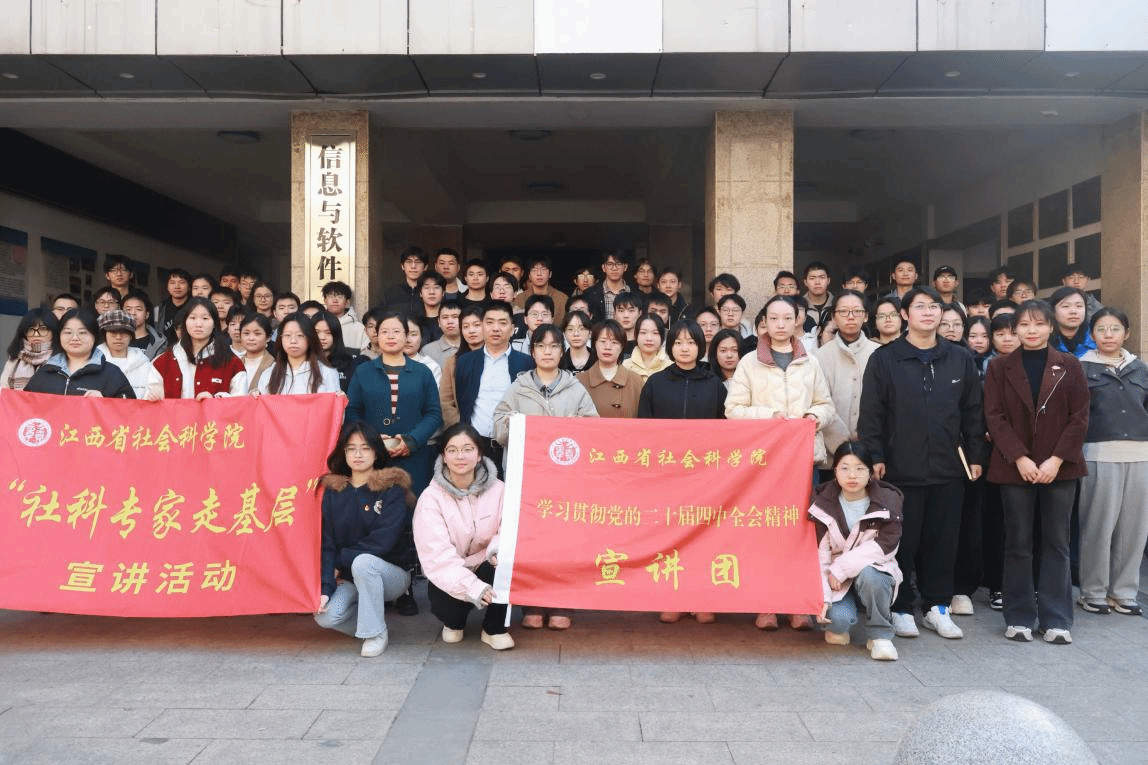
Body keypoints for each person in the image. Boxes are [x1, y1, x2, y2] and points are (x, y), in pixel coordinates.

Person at [858, 286, 986, 641]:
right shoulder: (885, 359)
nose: (928, 312)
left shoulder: (960, 358)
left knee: (943, 541)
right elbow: (871, 414)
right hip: (900, 468)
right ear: (904, 314)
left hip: (949, 467)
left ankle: (937, 606)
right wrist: (875, 455)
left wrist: (976, 455)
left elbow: (973, 412)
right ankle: (901, 607)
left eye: (934, 306)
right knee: (904, 541)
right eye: (919, 307)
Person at [726, 295, 836, 631]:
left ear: (798, 320)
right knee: (765, 532)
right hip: (764, 463)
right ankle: (766, 603)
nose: (780, 324)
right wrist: (769, 417)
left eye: (787, 318)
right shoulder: (749, 363)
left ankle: (796, 604)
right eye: (774, 318)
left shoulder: (810, 362)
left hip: (804, 461)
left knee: (801, 532)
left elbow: (826, 405)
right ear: (764, 322)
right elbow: (733, 409)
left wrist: (813, 416)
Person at [984, 300, 1088, 644]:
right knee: (1018, 542)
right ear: (1015, 329)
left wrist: (1056, 459)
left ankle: (1057, 618)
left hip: (1060, 468)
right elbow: (994, 416)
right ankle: (1019, 616)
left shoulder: (1069, 365)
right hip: (1015, 468)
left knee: (1057, 542)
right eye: (1025, 324)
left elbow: (1080, 417)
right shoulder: (1000, 367)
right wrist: (1020, 457)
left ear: (1050, 327)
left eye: (1039, 324)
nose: (1032, 330)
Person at [493, 324, 598, 630]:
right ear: (533, 351)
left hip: (566, 483)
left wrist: (578, 426)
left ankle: (562, 603)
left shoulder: (575, 388)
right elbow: (497, 428)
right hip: (528, 483)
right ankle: (533, 604)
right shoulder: (518, 387)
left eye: (554, 346)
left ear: (562, 352)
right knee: (531, 543)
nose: (547, 352)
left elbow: (595, 429)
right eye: (541, 346)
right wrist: (512, 424)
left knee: (564, 543)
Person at [638, 318, 726, 626]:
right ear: (670, 346)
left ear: (700, 346)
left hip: (706, 477)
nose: (684, 348)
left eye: (690, 342)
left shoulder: (714, 384)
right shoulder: (656, 383)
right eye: (678, 342)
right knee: (670, 537)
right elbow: (643, 432)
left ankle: (701, 598)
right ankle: (672, 598)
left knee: (704, 537)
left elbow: (728, 431)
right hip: (666, 477)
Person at [315, 421, 416, 658]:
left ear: (376, 452)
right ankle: (372, 622)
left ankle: (375, 634)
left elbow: (382, 542)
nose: (358, 454)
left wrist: (341, 561)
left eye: (365, 448)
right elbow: (327, 543)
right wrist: (326, 588)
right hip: (350, 577)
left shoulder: (391, 489)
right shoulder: (333, 492)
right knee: (326, 616)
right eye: (351, 449)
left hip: (391, 575)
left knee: (363, 562)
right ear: (343, 453)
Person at [413, 423, 514, 650]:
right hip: (450, 569)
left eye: (468, 449)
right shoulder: (431, 498)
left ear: (479, 455)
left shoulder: (499, 490)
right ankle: (453, 623)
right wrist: (474, 588)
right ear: (443, 457)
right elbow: (438, 558)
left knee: (506, 564)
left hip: (486, 562)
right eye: (453, 450)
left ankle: (494, 628)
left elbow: (508, 530)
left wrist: (496, 550)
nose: (460, 456)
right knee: (448, 609)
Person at [1077, 308, 1148, 616]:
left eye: (1115, 329)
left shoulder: (1140, 369)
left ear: (1127, 334)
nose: (1108, 335)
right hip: (1098, 455)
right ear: (1092, 334)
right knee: (1098, 526)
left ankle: (1124, 592)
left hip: (1140, 456)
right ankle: (1093, 592)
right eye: (1101, 329)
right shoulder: (1080, 368)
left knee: (1134, 530)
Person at [811, 441, 903, 661]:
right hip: (832, 577)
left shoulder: (887, 501)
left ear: (871, 472)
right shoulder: (822, 502)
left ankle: (881, 636)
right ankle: (838, 625)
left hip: (872, 567)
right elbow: (820, 555)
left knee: (873, 577)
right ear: (835, 471)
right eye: (845, 468)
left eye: (860, 468)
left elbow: (885, 546)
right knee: (838, 621)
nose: (852, 475)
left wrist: (842, 568)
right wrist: (823, 599)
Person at [345, 311, 443, 497]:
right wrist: (372, 439)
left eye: (396, 331)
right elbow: (352, 411)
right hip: (372, 456)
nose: (390, 336)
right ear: (377, 336)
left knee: (411, 505)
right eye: (384, 332)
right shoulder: (363, 371)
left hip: (414, 456)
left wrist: (412, 440)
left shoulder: (423, 372)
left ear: (406, 336)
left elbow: (433, 413)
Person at [815, 290, 879, 461]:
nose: (850, 317)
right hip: (832, 455)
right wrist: (843, 446)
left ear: (866, 316)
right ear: (834, 317)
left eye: (857, 311)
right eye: (843, 311)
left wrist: (870, 445)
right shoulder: (820, 357)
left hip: (872, 454)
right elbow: (819, 404)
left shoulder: (879, 354)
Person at [25, 308, 135, 398]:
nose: (75, 338)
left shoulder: (112, 373)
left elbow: (129, 410)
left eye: (82, 333)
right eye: (68, 332)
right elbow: (24, 405)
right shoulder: (46, 371)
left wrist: (104, 402)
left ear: (95, 336)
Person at [153, 297, 247, 399]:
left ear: (215, 323)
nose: (198, 324)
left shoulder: (232, 362)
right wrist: (153, 398)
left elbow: (241, 401)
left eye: (205, 318)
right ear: (185, 322)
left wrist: (216, 399)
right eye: (192, 318)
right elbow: (151, 397)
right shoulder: (163, 361)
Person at [256, 313, 341, 395]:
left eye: (300, 335)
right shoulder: (269, 374)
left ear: (310, 338)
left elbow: (333, 403)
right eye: (287, 335)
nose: (293, 341)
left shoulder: (326, 372)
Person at [577, 320, 643, 419]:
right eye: (603, 341)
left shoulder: (636, 381)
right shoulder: (579, 381)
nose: (607, 347)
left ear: (622, 347)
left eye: (614, 342)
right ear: (594, 344)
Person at [95, 310, 163, 400]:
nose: (118, 337)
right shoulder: (93, 363)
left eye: (124, 333)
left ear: (131, 335)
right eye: (113, 333)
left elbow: (152, 390)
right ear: (105, 335)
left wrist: (152, 396)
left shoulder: (143, 363)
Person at [2, 308, 58, 390]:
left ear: (54, 332)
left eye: (43, 329)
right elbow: (2, 391)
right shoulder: (14, 361)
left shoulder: (61, 360)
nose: (36, 334)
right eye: (30, 329)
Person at [313, 310, 366, 394]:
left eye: (328, 333)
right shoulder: (304, 362)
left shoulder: (351, 363)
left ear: (336, 334)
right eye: (317, 332)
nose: (322, 337)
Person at [513, 255, 567, 322]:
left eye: (543, 269)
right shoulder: (520, 298)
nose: (539, 273)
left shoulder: (562, 299)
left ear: (550, 274)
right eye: (534, 270)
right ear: (529, 275)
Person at [582, 249, 630, 320]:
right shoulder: (590, 294)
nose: (614, 268)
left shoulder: (634, 292)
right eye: (610, 264)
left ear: (625, 267)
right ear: (603, 268)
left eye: (618, 264)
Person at [322, 281, 369, 353]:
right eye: (330, 296)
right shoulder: (317, 325)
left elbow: (366, 354)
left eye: (340, 297)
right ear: (325, 300)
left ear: (347, 302)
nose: (335, 300)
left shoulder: (359, 329)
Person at [623, 314, 672, 382]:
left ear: (662, 337)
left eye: (655, 333)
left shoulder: (670, 368)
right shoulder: (625, 366)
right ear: (636, 335)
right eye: (643, 332)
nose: (649, 338)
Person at [380, 245, 429, 314]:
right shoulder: (391, 293)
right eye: (409, 262)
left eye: (418, 262)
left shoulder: (431, 293)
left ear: (425, 267)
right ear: (402, 266)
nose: (413, 266)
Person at [1050, 286, 1095, 358]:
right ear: (1053, 310)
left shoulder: (1097, 338)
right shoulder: (1043, 341)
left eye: (1079, 306)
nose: (1073, 311)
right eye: (1066, 306)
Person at [238, 312, 275, 394]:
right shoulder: (234, 364)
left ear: (268, 337)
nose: (251, 338)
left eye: (257, 334)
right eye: (246, 333)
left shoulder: (275, 366)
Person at [122, 290, 165, 359]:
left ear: (147, 314)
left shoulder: (159, 342)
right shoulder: (115, 339)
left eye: (138, 309)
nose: (133, 313)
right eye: (128, 310)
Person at [403, 315, 442, 386]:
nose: (408, 340)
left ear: (421, 337)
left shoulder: (430, 366)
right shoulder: (384, 364)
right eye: (404, 334)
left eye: (413, 335)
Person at [153, 268, 191, 340]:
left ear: (189, 287)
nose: (177, 287)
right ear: (167, 286)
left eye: (181, 282)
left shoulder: (195, 307)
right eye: (172, 283)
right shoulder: (159, 310)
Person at [802, 261, 834, 329]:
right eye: (812, 278)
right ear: (805, 282)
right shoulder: (798, 306)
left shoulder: (837, 304)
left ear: (828, 280)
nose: (817, 282)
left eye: (822, 277)